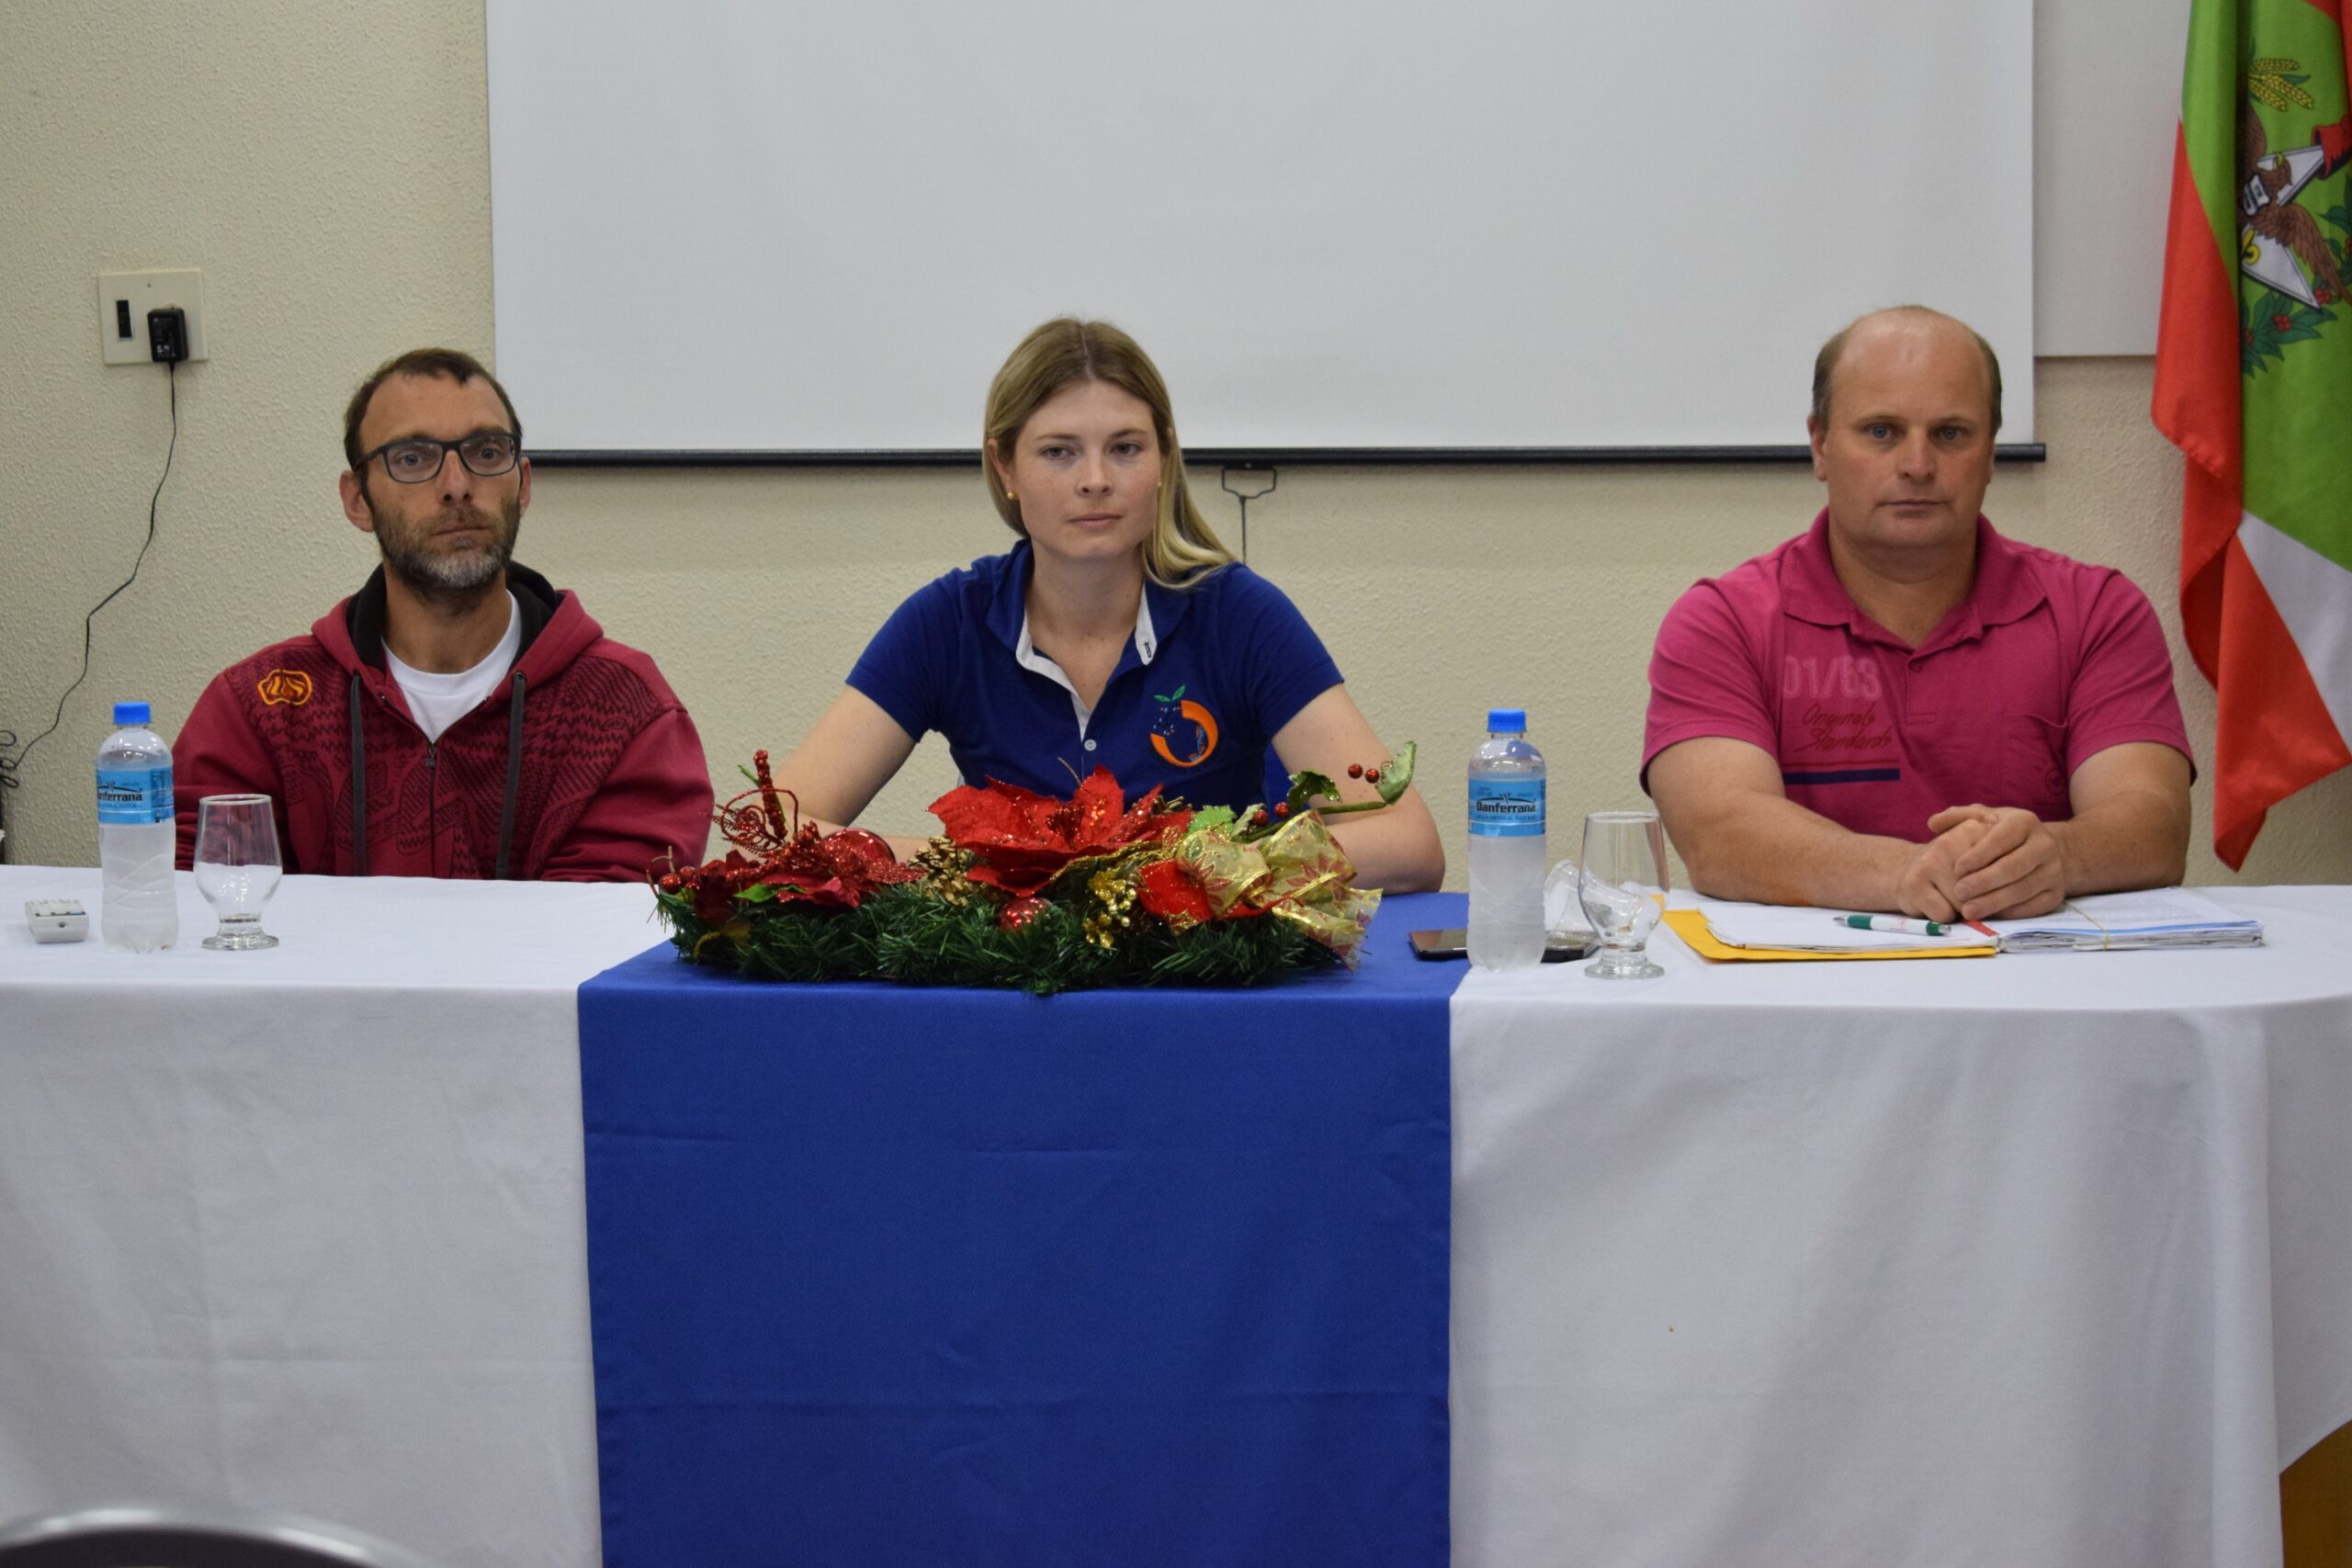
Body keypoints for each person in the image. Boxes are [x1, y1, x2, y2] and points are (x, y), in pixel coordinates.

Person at [770, 317, 1444, 892]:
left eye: (1124, 448)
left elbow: (1407, 841)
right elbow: (775, 828)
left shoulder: (1239, 615)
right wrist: (977, 867)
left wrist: (1191, 868)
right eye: (1059, 452)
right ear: (1005, 468)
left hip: (1203, 990)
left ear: (1163, 461)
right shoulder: (950, 621)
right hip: (1014, 993)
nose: (1095, 480)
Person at [1643, 307, 2192, 923]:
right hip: (1806, 998)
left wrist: (2056, 856)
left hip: (2037, 990)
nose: (1917, 465)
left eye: (1951, 434)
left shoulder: (2098, 612)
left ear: (1991, 452)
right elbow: (1721, 835)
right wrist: (1905, 873)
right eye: (1881, 432)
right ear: (1819, 444)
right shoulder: (1723, 623)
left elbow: (2153, 824)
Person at [175, 347, 712, 880]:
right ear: (357, 500)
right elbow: (206, 914)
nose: (457, 485)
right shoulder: (267, 708)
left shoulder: (621, 709)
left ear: (522, 485)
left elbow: (598, 938)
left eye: (485, 452)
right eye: (412, 459)